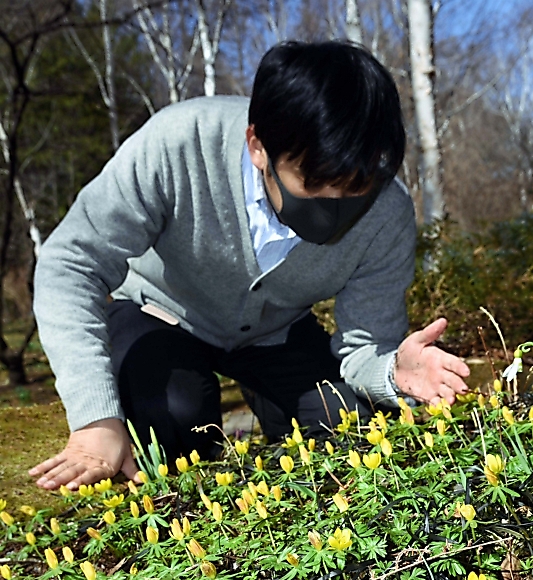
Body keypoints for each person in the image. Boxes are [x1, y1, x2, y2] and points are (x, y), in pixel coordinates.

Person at [29, 41, 470, 491]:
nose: (335, 206)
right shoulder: (180, 142)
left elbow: (365, 347)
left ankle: (272, 402)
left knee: (346, 426)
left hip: (275, 332)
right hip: (158, 312)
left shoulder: (386, 212)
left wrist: (393, 372)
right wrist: (94, 421)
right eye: (313, 183)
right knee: (175, 420)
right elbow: (70, 265)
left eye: (354, 189)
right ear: (258, 145)